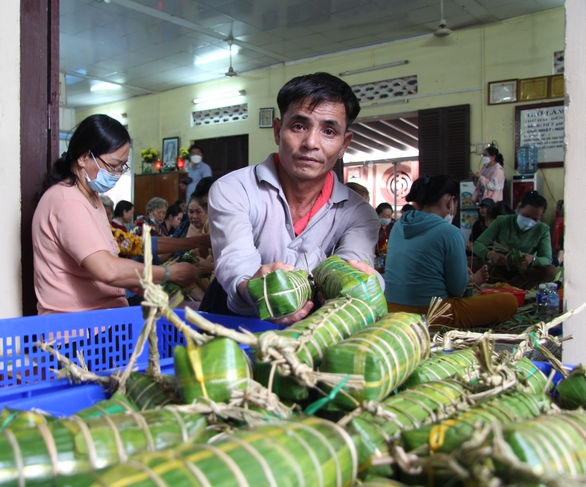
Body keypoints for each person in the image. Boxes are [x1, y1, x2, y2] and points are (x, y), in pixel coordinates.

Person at [205, 72, 380, 322]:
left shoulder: (359, 214)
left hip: (311, 335)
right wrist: (252, 288)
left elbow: (351, 272)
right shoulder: (233, 189)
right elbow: (236, 262)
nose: (310, 142)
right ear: (278, 130)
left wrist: (366, 283)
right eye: (299, 126)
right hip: (232, 324)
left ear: (344, 144)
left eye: (329, 131)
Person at [31, 114, 198, 314]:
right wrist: (169, 273)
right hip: (78, 329)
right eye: (113, 166)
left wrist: (141, 282)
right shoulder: (67, 201)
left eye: (122, 167)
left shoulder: (90, 199)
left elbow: (107, 257)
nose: (117, 174)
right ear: (84, 157)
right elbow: (107, 269)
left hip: (102, 320)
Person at [384, 176, 517, 328]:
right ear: (449, 200)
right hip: (431, 313)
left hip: (392, 309)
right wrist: (467, 279)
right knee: (508, 302)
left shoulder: (398, 226)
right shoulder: (450, 232)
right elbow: (457, 289)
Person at [473, 190, 557, 290]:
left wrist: (532, 259)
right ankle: (508, 286)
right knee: (469, 261)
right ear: (519, 207)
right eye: (526, 216)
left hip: (524, 274)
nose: (529, 221)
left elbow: (547, 259)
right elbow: (477, 244)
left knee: (551, 271)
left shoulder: (542, 229)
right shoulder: (502, 221)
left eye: (535, 219)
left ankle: (507, 286)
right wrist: (491, 255)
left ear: (540, 217)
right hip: (497, 269)